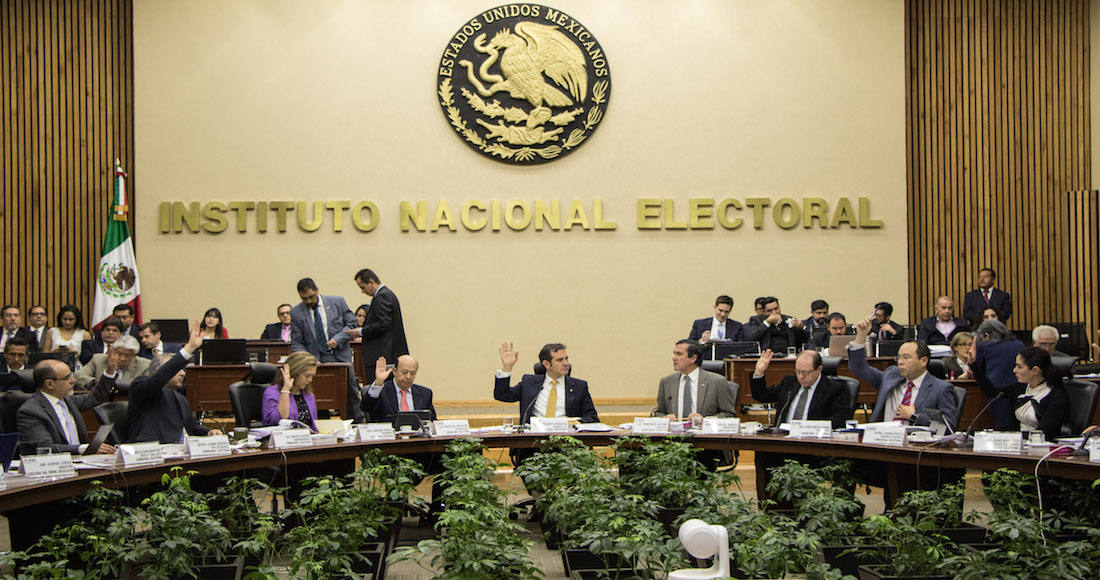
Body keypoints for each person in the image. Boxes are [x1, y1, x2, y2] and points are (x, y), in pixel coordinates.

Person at [849, 316, 959, 429]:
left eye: (906, 357)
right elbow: (859, 368)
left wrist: (915, 417)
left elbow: (948, 428)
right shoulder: (890, 376)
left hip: (914, 439)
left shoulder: (941, 389)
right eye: (899, 358)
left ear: (923, 361)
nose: (900, 362)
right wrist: (860, 337)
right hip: (883, 436)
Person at [126, 323, 224, 443]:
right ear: (159, 371)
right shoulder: (141, 385)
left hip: (180, 448)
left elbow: (190, 425)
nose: (183, 374)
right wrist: (189, 348)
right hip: (152, 448)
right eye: (178, 370)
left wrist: (208, 432)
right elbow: (158, 379)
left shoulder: (179, 397)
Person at [289, 277, 363, 421]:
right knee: (319, 395)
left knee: (351, 392)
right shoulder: (296, 312)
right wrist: (307, 359)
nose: (309, 301)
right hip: (315, 360)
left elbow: (352, 323)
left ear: (317, 290)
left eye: (311, 297)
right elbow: (297, 343)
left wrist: (338, 339)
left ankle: (357, 423)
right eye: (305, 299)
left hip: (340, 357)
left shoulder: (337, 302)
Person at [16, 357, 115, 455]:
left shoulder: (68, 401)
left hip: (82, 460)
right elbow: (45, 447)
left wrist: (109, 371)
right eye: (67, 378)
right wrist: (82, 449)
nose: (73, 380)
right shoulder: (31, 411)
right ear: (50, 384)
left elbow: (94, 397)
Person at [494, 342, 599, 424]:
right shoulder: (529, 383)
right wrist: (506, 368)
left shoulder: (579, 387)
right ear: (546, 364)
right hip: (533, 440)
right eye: (560, 360)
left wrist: (571, 422)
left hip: (566, 440)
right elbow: (502, 395)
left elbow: (592, 418)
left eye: (566, 359)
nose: (566, 363)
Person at [750, 349, 850, 429]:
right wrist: (758, 372)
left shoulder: (834, 389)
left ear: (819, 369)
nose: (801, 376)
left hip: (813, 440)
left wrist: (808, 428)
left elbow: (840, 419)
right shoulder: (789, 383)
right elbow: (762, 396)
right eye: (798, 371)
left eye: (805, 372)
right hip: (783, 438)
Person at [656, 339, 737, 419]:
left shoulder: (717, 382)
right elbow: (659, 413)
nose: (674, 358)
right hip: (675, 427)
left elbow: (729, 414)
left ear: (693, 358)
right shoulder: (666, 382)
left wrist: (705, 421)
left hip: (704, 427)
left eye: (679, 354)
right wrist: (664, 418)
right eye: (674, 354)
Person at [970, 319, 1026, 430]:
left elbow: (979, 371)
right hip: (1020, 390)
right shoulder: (1019, 344)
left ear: (986, 335)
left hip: (996, 392)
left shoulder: (984, 347)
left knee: (1002, 428)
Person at [351, 268, 409, 369]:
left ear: (371, 282)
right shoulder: (386, 294)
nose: (362, 292)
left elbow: (383, 323)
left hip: (382, 356)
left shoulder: (382, 296)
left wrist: (361, 331)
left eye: (363, 287)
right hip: (386, 354)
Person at [1007, 346, 1067, 441]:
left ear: (1035, 370)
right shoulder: (1020, 389)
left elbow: (1044, 433)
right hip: (1018, 443)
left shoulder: (1056, 397)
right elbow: (993, 391)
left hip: (1042, 445)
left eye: (1019, 367)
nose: (1014, 370)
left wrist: (1016, 437)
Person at [362, 354, 436, 423]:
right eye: (404, 372)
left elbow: (432, 421)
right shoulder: (381, 391)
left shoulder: (425, 394)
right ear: (394, 371)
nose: (408, 377)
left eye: (412, 373)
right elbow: (367, 408)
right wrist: (378, 382)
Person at [262, 351, 319, 432]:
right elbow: (278, 421)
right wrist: (286, 390)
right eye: (307, 376)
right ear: (294, 373)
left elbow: (314, 426)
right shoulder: (271, 393)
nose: (310, 380)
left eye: (312, 376)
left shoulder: (309, 395)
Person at [75, 335, 150, 389]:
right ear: (112, 350)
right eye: (118, 354)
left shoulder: (145, 365)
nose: (122, 358)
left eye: (127, 355)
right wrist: (95, 382)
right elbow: (77, 376)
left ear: (134, 356)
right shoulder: (98, 359)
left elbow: (147, 386)